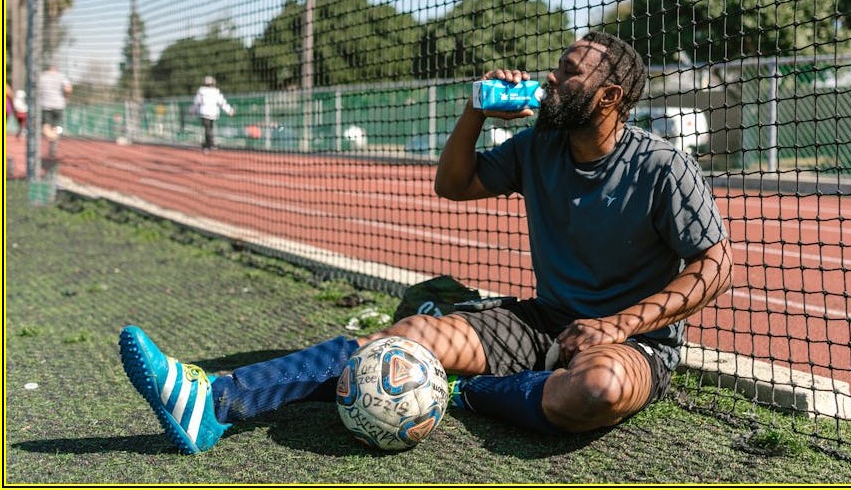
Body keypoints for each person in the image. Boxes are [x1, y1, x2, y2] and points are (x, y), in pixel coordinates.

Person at [118, 32, 733, 454]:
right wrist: (475, 112)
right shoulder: (538, 145)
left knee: (597, 391)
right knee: (407, 337)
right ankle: (215, 402)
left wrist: (618, 325)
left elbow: (716, 264)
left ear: (609, 98)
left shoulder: (662, 166)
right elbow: (453, 185)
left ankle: (468, 393)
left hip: (634, 342)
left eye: (569, 72)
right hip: (542, 321)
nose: (551, 76)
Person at [191, 76, 235, 153]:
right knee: (209, 129)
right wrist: (229, 110)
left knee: (208, 129)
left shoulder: (202, 91)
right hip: (211, 113)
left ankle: (208, 144)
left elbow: (196, 103)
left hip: (205, 113)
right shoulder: (214, 92)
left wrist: (192, 110)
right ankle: (209, 144)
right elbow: (222, 103)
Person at [37, 64, 72, 154]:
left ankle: (51, 138)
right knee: (57, 126)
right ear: (56, 69)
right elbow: (68, 89)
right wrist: (66, 97)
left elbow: (37, 90)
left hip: (46, 105)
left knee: (46, 127)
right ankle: (54, 139)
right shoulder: (61, 76)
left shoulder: (43, 77)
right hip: (59, 105)